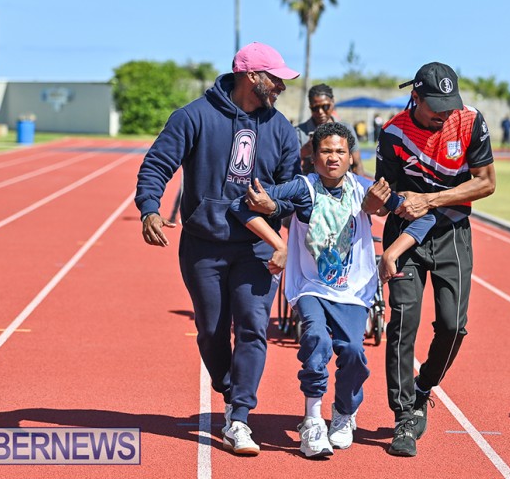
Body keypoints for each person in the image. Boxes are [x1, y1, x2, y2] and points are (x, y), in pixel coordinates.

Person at [135, 42, 301, 456]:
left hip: (257, 247)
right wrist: (150, 208)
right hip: (203, 245)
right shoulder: (193, 116)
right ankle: (229, 388)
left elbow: (293, 191)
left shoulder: (281, 129)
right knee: (211, 331)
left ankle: (239, 416)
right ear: (251, 76)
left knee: (252, 327)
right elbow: (157, 164)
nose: (281, 86)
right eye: (275, 78)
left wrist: (273, 207)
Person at [230, 122, 435, 458]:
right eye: (326, 151)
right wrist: (276, 236)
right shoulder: (302, 187)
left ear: (351, 157)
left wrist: (391, 254)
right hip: (310, 286)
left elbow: (425, 219)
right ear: (313, 157)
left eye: (340, 151)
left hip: (352, 290)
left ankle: (343, 412)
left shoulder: (365, 190)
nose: (333, 157)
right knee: (316, 340)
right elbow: (241, 205)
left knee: (353, 353)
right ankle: (312, 421)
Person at [363, 62, 496, 457]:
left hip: (452, 232)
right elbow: (386, 197)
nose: (444, 113)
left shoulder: (469, 121)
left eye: (449, 105)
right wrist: (382, 202)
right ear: (415, 98)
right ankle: (404, 416)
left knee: (453, 326)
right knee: (403, 323)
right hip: (406, 236)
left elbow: (486, 182)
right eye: (436, 106)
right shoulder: (393, 133)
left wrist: (432, 200)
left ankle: (423, 388)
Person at [296, 84, 366, 176]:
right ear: (310, 107)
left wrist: (360, 184)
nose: (320, 112)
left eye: (325, 106)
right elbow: (290, 164)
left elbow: (357, 164)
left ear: (333, 102)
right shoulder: (299, 132)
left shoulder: (346, 128)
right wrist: (305, 150)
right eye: (315, 108)